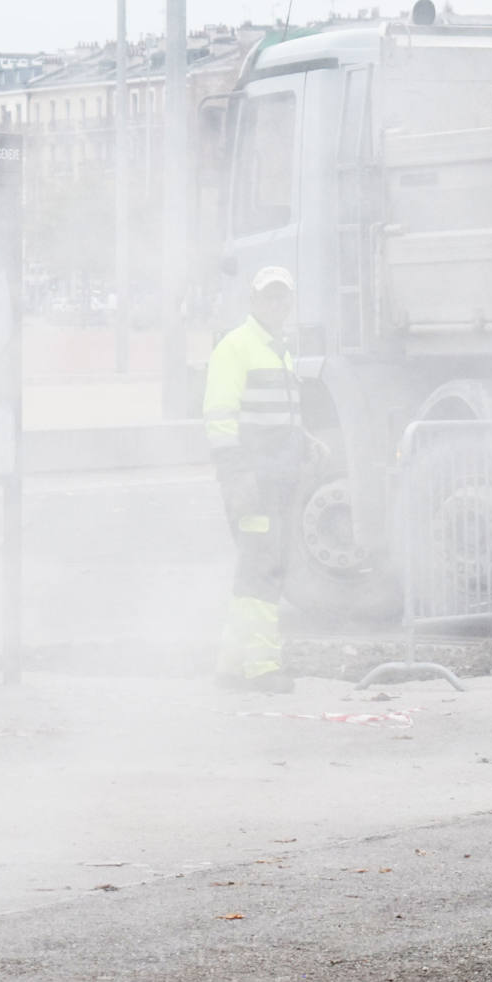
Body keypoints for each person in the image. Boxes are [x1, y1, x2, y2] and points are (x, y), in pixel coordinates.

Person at [202, 265, 304, 692]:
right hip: (254, 480)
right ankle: (262, 668)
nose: (277, 304)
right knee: (264, 569)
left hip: (274, 479)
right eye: (269, 296)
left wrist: (306, 440)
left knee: (252, 572)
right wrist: (237, 476)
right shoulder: (236, 347)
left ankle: (230, 665)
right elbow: (220, 417)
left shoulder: (280, 350)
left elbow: (278, 416)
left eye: (283, 297)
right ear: (253, 300)